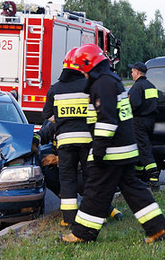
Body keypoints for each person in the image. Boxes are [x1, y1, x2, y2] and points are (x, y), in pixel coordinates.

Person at [58, 44, 165, 244]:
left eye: (82, 68)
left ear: (88, 64)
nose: (81, 73)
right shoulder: (110, 80)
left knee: (95, 191)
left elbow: (107, 120)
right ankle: (158, 229)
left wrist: (99, 151)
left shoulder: (102, 84)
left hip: (112, 152)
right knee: (135, 191)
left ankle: (82, 234)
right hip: (124, 150)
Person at [43, 48, 122, 225]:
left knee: (67, 178)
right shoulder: (88, 88)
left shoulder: (55, 89)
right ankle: (100, 213)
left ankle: (69, 219)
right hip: (87, 141)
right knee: (91, 178)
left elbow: (47, 115)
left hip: (65, 142)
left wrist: (63, 119)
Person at [128, 62, 160, 188]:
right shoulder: (151, 86)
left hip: (139, 122)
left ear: (137, 72)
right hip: (150, 121)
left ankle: (153, 175)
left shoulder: (137, 87)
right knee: (141, 148)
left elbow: (133, 104)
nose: (131, 74)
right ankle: (139, 174)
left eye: (132, 72)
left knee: (143, 149)